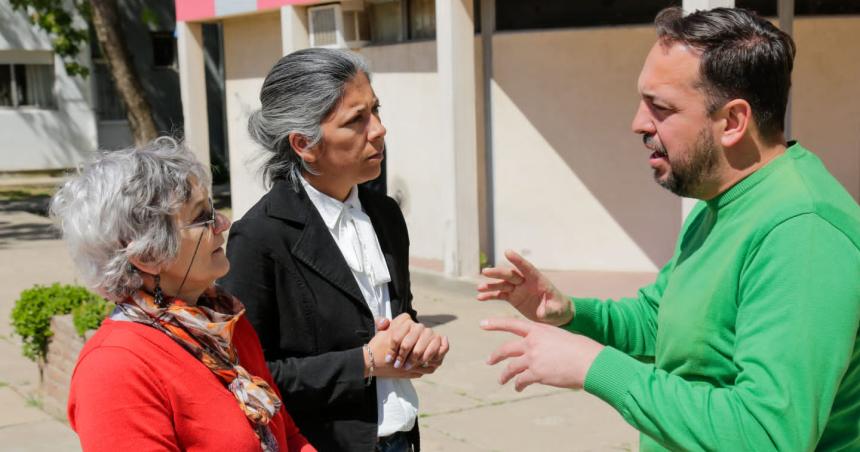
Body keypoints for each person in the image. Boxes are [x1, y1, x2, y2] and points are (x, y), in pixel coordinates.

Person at [477, 7, 860, 451]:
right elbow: (663, 322)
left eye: (660, 108)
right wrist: (571, 313)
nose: (638, 123)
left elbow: (767, 434)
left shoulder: (802, 231)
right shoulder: (721, 198)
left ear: (733, 122)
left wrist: (594, 366)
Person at [220, 48, 449, 452]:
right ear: (304, 144)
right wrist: (362, 362)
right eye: (356, 120)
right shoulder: (259, 237)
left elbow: (396, 316)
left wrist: (415, 341)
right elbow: (246, 376)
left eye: (375, 111)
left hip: (401, 437)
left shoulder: (385, 214)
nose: (378, 130)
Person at [53, 138, 314, 451]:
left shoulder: (224, 325)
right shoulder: (115, 369)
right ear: (147, 253)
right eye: (202, 217)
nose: (223, 223)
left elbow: (289, 436)